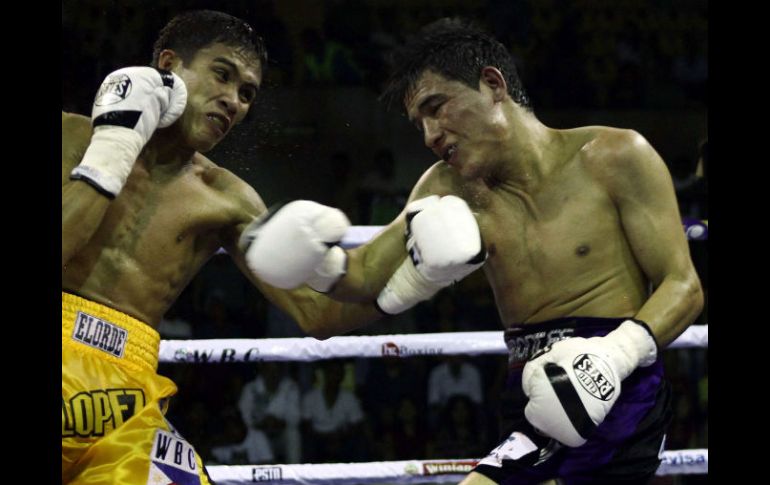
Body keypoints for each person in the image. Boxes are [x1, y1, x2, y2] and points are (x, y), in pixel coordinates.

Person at [62, 10, 484, 484]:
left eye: (247, 94)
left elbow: (315, 313)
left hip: (127, 396)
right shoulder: (72, 137)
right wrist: (113, 147)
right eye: (222, 75)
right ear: (168, 65)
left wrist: (415, 275)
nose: (233, 102)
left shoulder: (227, 200)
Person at [374, 18, 704, 485]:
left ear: (493, 85)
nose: (429, 135)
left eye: (436, 107)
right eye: (419, 123)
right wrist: (259, 245)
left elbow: (684, 287)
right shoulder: (448, 188)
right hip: (526, 391)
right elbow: (354, 285)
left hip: (612, 391)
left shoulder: (615, 155)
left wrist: (612, 357)